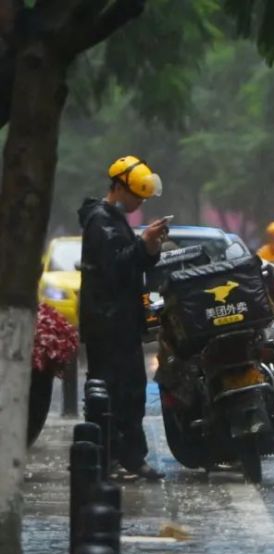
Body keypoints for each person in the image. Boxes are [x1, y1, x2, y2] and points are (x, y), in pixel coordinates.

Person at [78, 156, 169, 480]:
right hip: (108, 324)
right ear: (117, 188)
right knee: (111, 393)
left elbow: (132, 266)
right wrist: (142, 244)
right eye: (136, 196)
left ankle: (131, 458)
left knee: (131, 391)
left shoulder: (114, 220)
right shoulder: (100, 221)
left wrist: (150, 246)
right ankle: (110, 459)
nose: (138, 203)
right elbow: (114, 270)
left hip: (122, 321)